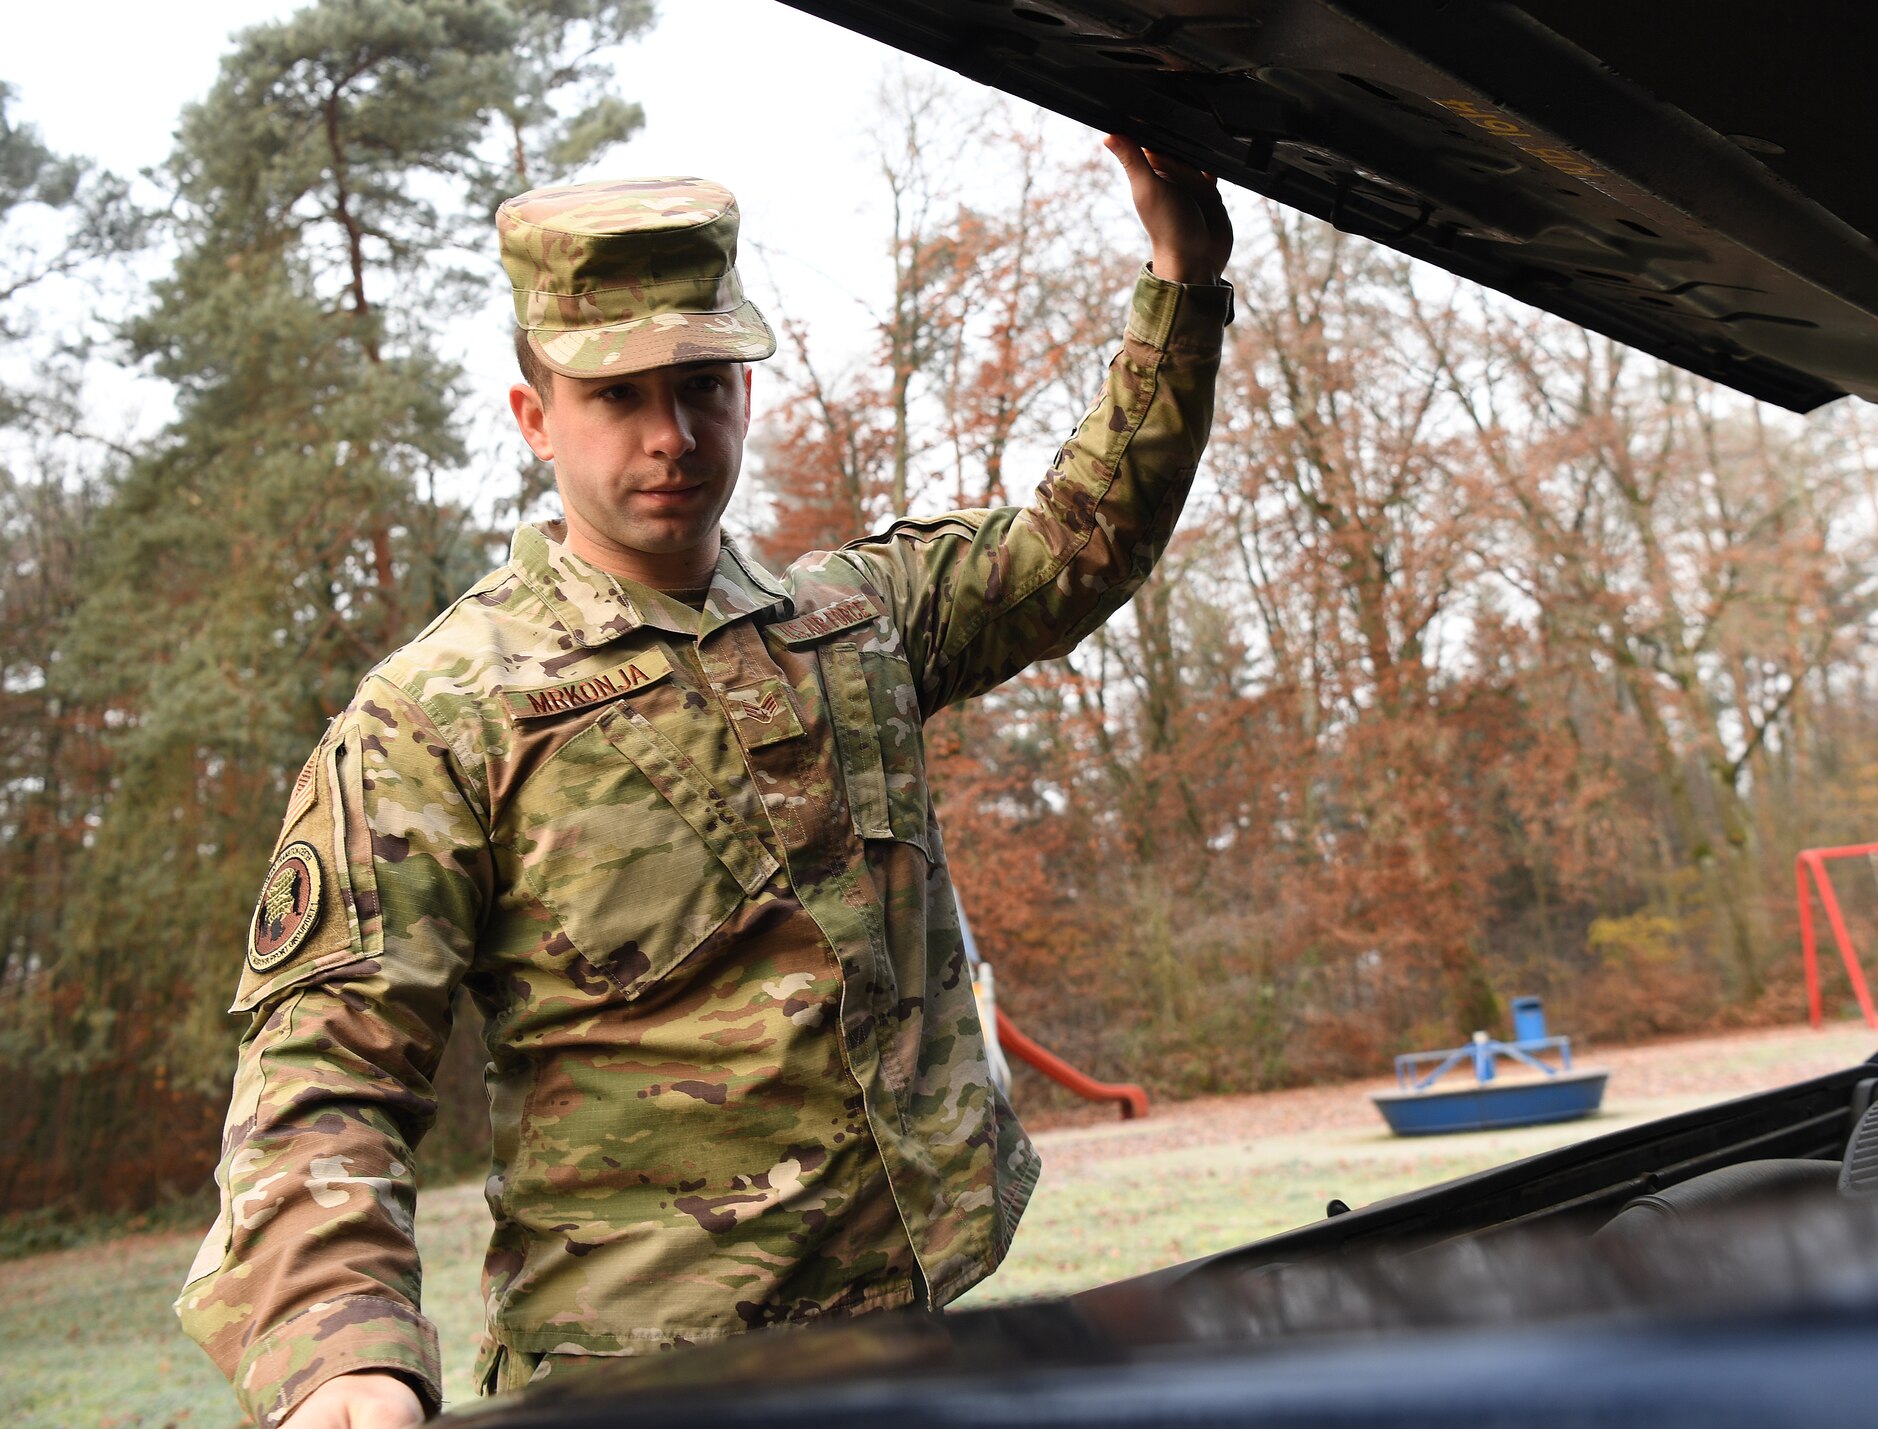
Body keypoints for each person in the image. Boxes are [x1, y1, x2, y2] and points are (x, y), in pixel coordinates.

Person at [176, 133, 1232, 1429]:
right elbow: (323, 1072)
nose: (671, 434)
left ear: (746, 390)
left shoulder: (854, 625)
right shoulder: (440, 716)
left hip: (915, 1346)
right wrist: (340, 1347)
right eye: (617, 396)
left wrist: (1184, 279)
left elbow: (1082, 540)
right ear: (533, 418)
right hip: (644, 1387)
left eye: (703, 383)